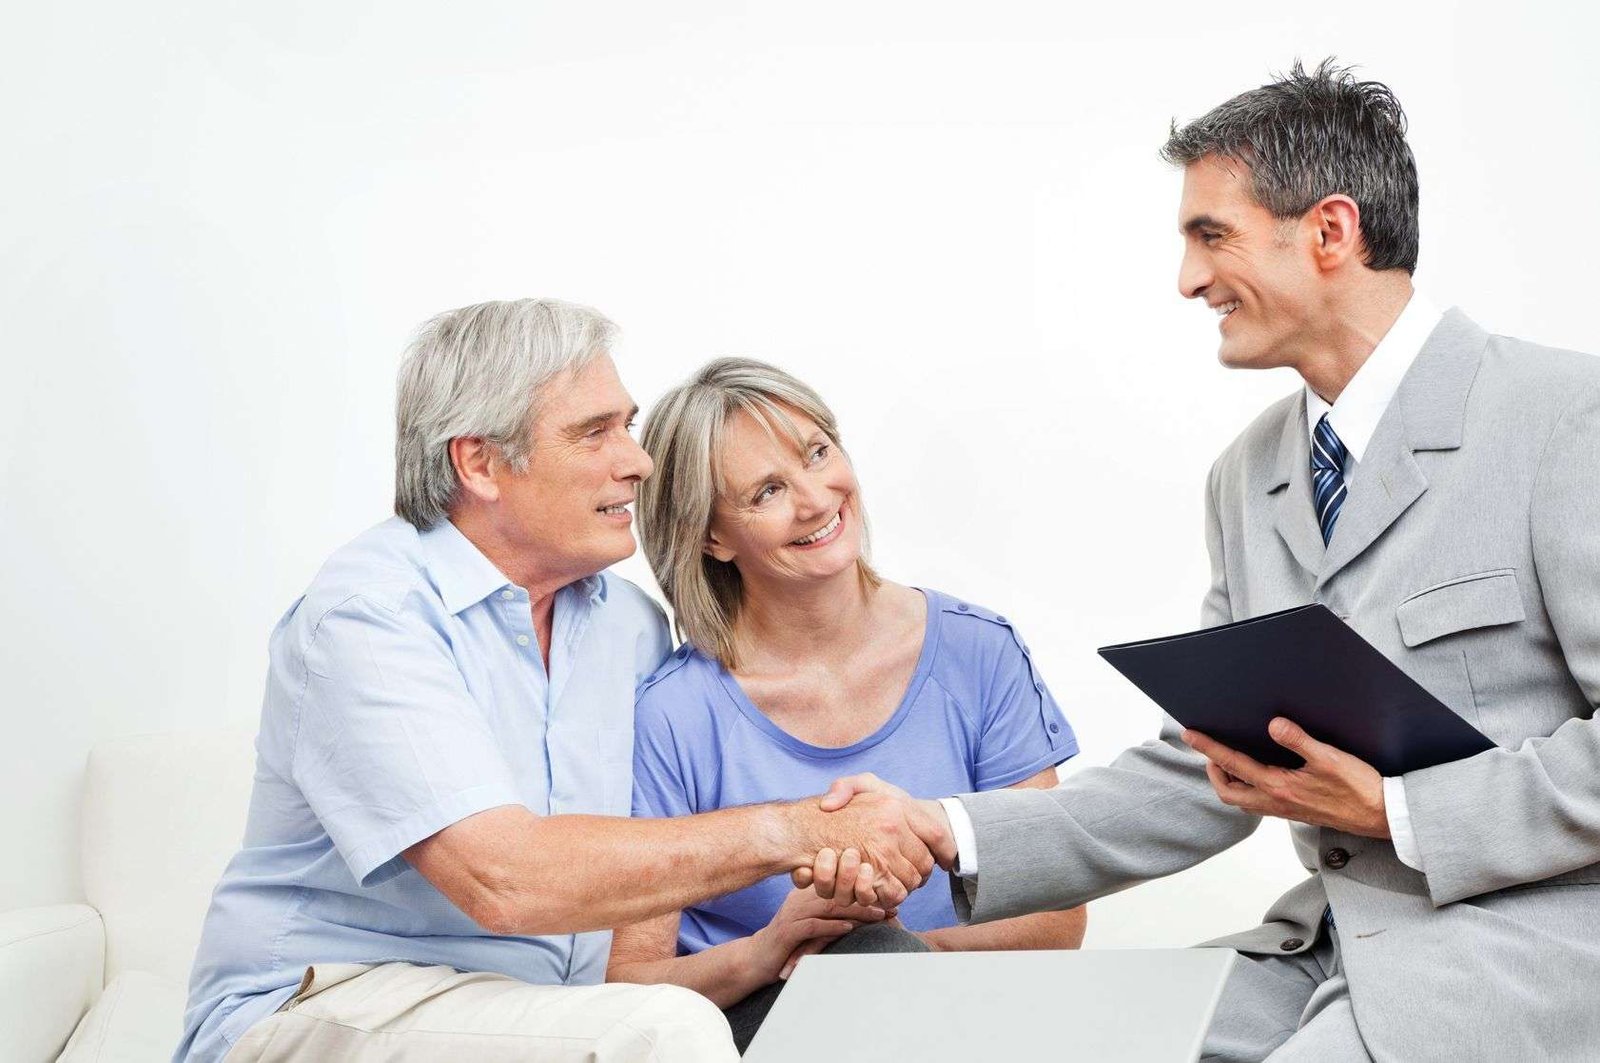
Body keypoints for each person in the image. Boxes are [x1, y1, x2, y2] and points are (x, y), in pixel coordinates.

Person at [806, 60, 1600, 1060]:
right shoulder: (1249, 476)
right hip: (1329, 943)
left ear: (1328, 231)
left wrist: (1396, 808)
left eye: (1209, 235)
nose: (1187, 279)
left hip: (1525, 955)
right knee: (1025, 1039)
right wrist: (943, 830)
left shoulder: (1564, 419)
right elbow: (1208, 767)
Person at [175, 299, 953, 1063]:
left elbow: (634, 929)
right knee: (661, 1033)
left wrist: (780, 933)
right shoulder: (368, 618)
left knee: (835, 987)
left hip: (547, 1013)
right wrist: (799, 829)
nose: (638, 462)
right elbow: (503, 879)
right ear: (478, 462)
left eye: (628, 424)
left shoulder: (631, 629)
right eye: (594, 433)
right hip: (332, 1000)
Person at [605, 358, 1086, 1050]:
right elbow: (630, 981)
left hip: (953, 1020)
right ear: (712, 537)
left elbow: (1057, 916)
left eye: (817, 453)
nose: (815, 498)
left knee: (877, 960)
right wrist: (775, 949)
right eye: (767, 490)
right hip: (762, 1026)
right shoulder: (672, 713)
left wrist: (894, 956)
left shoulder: (977, 650)